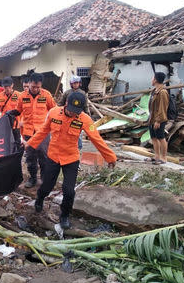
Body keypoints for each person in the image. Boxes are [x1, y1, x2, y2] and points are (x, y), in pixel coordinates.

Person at [27, 92, 117, 229]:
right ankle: (39, 199)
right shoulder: (53, 113)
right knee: (47, 186)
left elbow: (96, 139)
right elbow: (43, 131)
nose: (73, 113)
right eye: (71, 110)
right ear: (66, 103)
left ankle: (64, 215)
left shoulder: (84, 119)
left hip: (71, 158)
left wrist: (110, 157)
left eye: (77, 112)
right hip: (53, 156)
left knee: (69, 191)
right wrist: (29, 144)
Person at [9, 73, 56, 188]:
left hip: (42, 132)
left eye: (38, 87)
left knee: (44, 155)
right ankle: (33, 178)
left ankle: (45, 179)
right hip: (28, 131)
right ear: (29, 84)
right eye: (33, 87)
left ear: (41, 85)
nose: (35, 89)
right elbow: (18, 110)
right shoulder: (22, 96)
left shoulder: (46, 95)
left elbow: (54, 111)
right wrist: (11, 114)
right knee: (30, 156)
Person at [60, 75, 88, 150]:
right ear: (71, 84)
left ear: (79, 83)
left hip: (78, 116)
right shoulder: (67, 93)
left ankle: (78, 149)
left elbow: (85, 106)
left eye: (77, 83)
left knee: (78, 133)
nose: (75, 84)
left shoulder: (83, 93)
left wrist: (87, 115)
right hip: (67, 116)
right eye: (74, 83)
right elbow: (60, 104)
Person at [147, 72, 169, 165]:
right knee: (154, 137)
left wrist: (158, 120)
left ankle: (163, 158)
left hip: (159, 119)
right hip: (152, 118)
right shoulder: (155, 91)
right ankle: (157, 156)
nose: (152, 80)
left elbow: (162, 107)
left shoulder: (162, 92)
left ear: (155, 79)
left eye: (153, 78)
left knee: (161, 137)